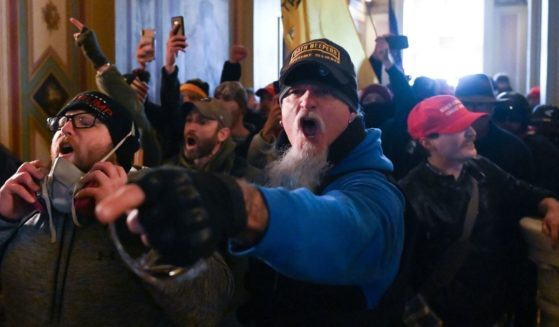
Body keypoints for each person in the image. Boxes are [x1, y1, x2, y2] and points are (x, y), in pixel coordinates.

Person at [96, 38, 406, 325]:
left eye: (325, 91)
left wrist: (237, 204)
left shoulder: (376, 191)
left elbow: (337, 226)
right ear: (281, 114)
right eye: (294, 92)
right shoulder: (284, 173)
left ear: (352, 111)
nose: (307, 100)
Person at [0, 90, 233, 325]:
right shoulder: (25, 203)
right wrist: (3, 222)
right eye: (61, 123)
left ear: (120, 147)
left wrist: (132, 227)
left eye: (85, 121)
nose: (65, 130)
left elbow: (211, 302)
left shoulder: (161, 201)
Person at [399, 95, 559, 326]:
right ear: (427, 142)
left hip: (494, 313)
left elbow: (524, 193)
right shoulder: (409, 195)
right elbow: (401, 280)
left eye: (469, 124)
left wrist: (551, 205)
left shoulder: (480, 169)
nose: (472, 132)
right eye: (458, 128)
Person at [455, 73, 535, 182]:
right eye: (466, 104)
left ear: (492, 109)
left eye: (480, 105)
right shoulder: (442, 144)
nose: (472, 111)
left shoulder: (514, 148)